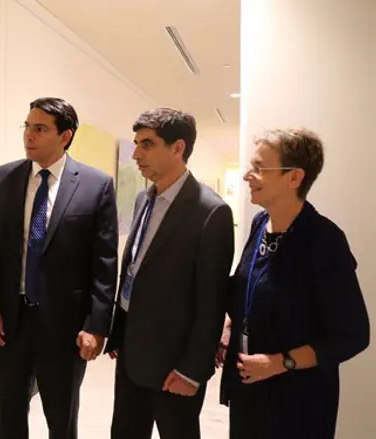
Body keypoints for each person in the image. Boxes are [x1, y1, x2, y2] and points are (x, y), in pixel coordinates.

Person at [217, 128, 370, 439]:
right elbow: (250, 287)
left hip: (298, 403)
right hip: (250, 389)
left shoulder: (325, 241)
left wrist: (278, 363)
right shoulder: (260, 224)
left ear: (294, 177)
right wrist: (231, 324)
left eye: (260, 168)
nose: (248, 175)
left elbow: (352, 335)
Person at [0, 97, 119, 439]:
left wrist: (97, 324)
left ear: (65, 136)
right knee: (10, 415)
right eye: (27, 127)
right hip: (10, 323)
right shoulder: (4, 178)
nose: (29, 135)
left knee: (61, 418)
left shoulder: (95, 185)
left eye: (40, 129)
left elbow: (104, 264)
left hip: (65, 327)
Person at [104, 108, 235, 439]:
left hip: (174, 364)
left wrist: (192, 371)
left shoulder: (211, 212)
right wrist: (119, 334)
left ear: (178, 148)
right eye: (135, 143)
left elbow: (211, 302)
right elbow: (134, 270)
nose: (136, 153)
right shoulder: (142, 199)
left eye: (147, 144)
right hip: (132, 355)